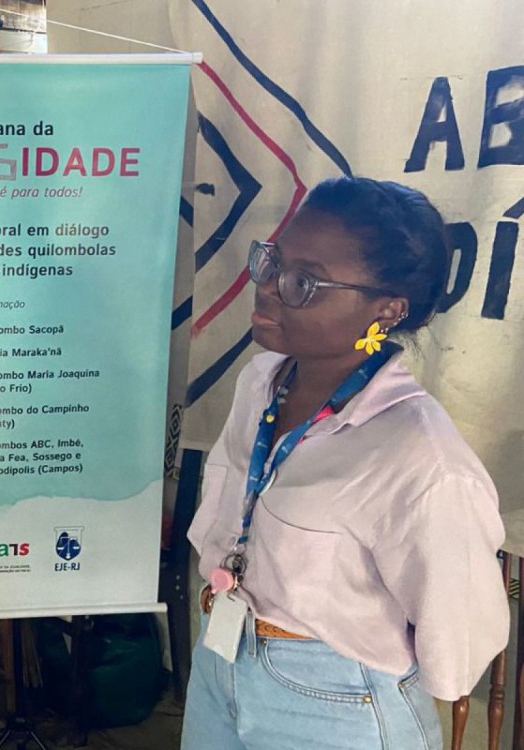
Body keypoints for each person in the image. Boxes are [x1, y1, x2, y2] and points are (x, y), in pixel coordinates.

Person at [181, 177, 509, 749]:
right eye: (273, 263)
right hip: (221, 657)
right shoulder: (261, 382)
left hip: (337, 702)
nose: (268, 288)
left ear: (387, 310)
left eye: (303, 283)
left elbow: (457, 645)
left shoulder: (418, 456)